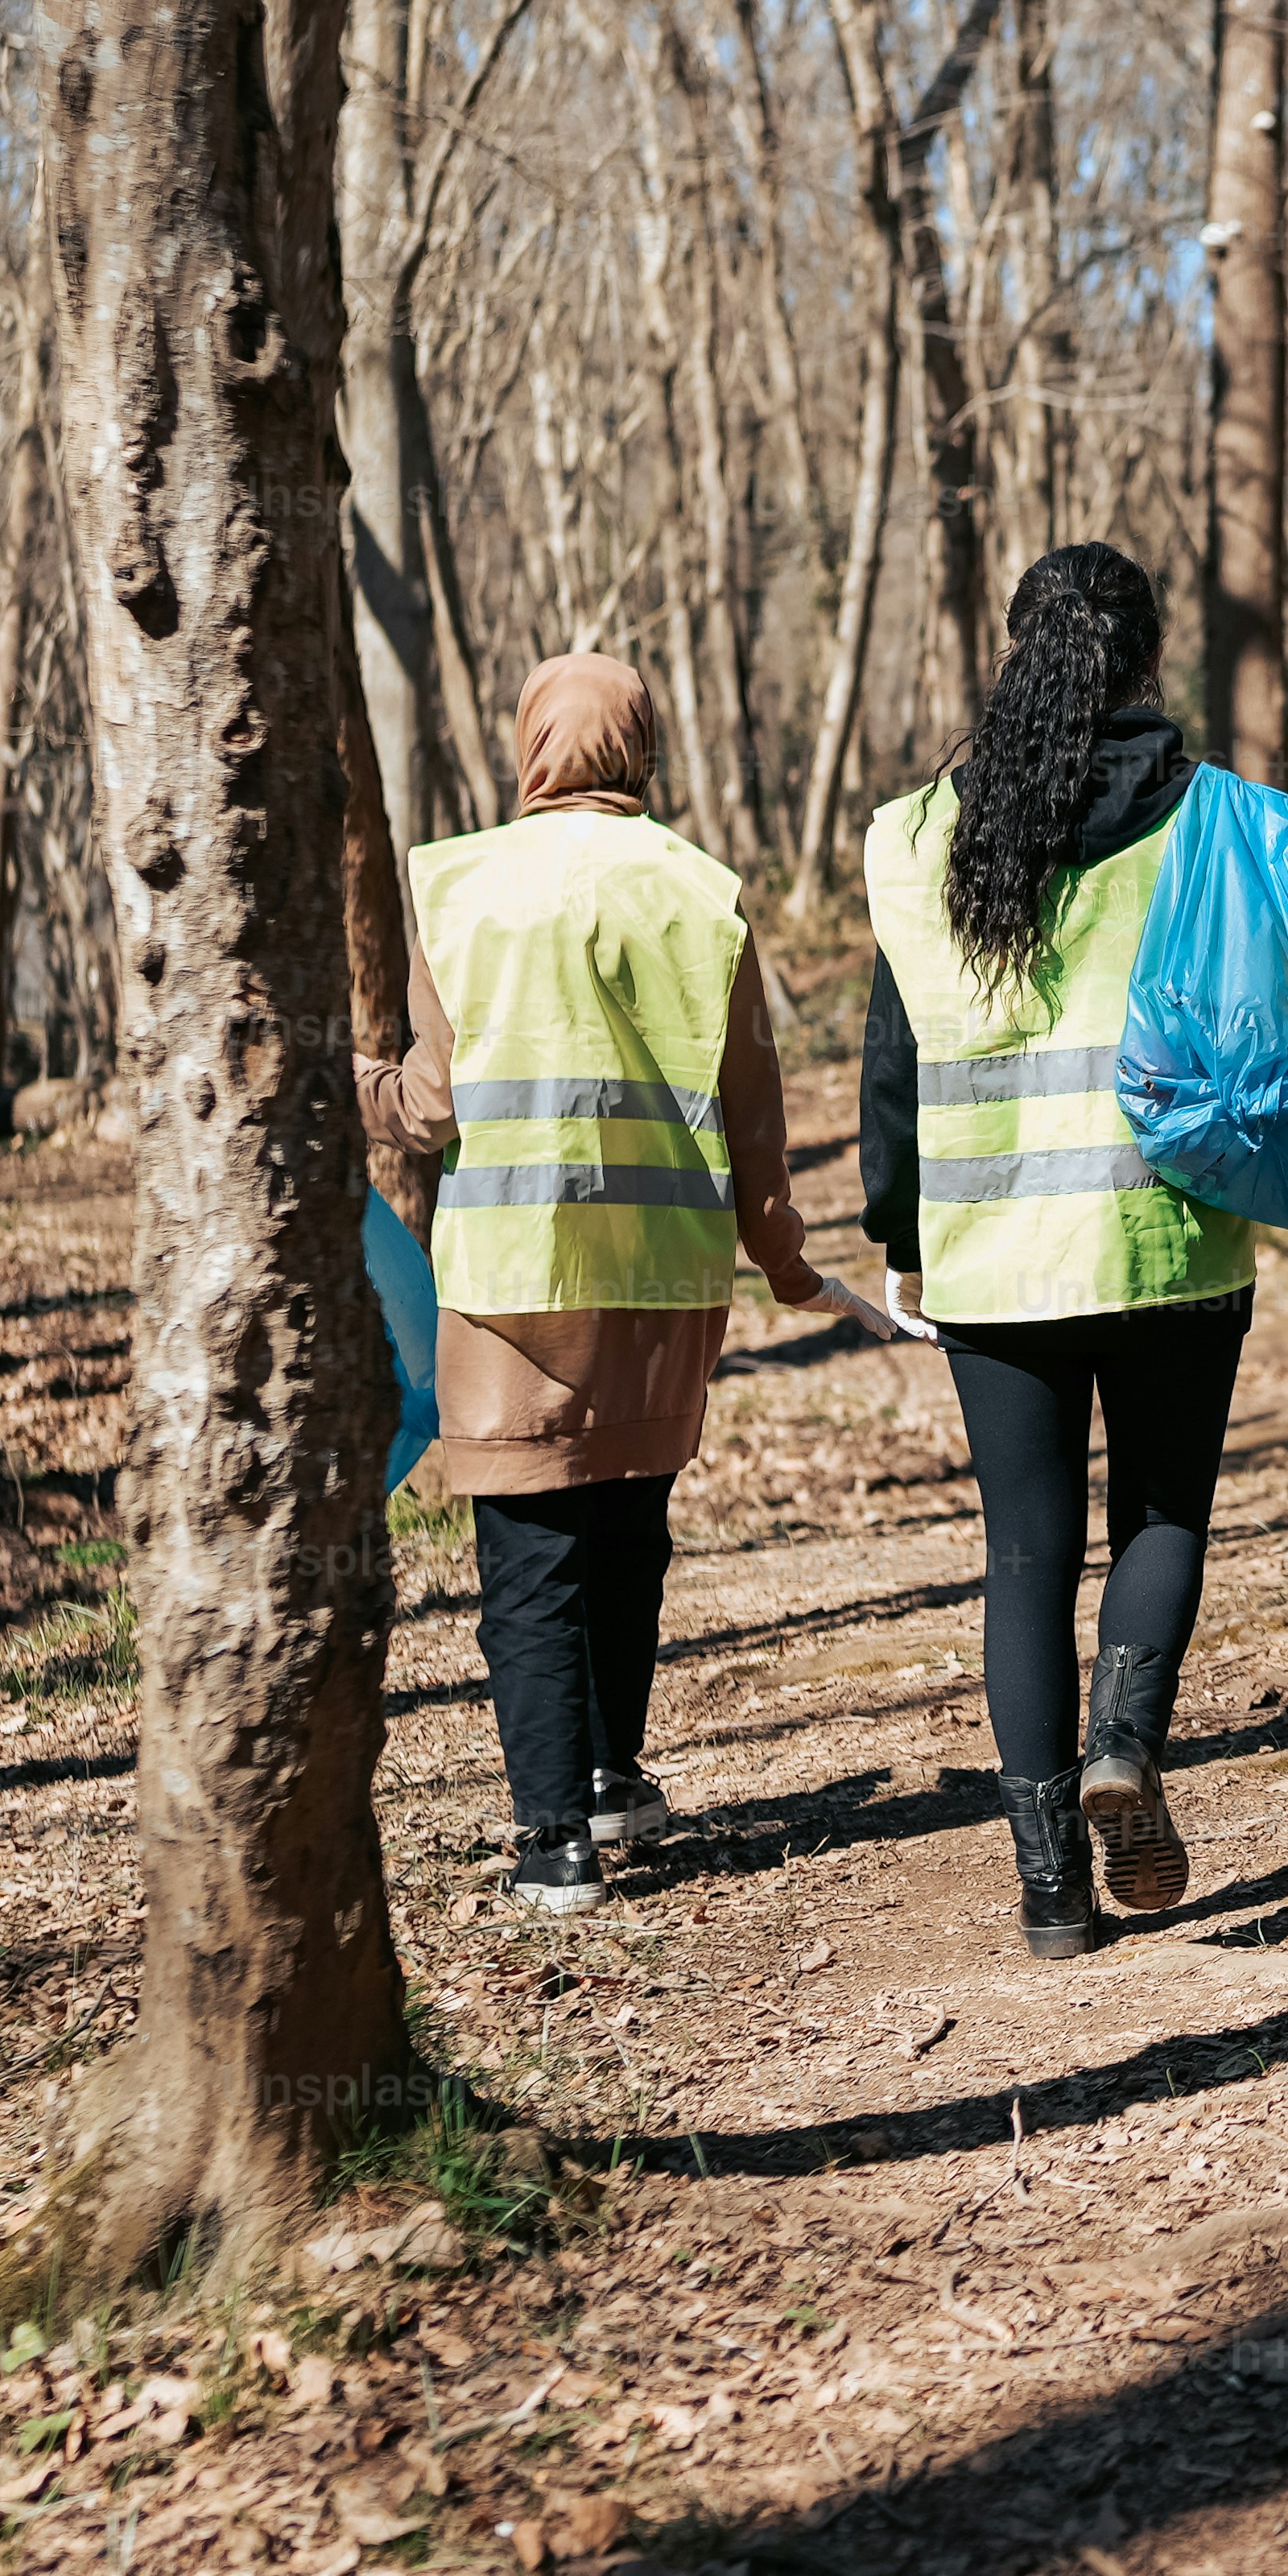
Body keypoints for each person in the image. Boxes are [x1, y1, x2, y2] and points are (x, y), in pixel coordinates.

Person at [364, 654, 825, 1917]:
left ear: (532, 745)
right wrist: (785, 1261)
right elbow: (752, 1111)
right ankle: (616, 1776)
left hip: (516, 1277)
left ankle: (553, 1839)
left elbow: (432, 1103)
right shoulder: (701, 891)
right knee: (628, 1534)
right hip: (666, 1283)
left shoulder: (457, 883)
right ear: (640, 746)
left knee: (529, 1556)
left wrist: (355, 1084)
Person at [857, 546, 1256, 1957]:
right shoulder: (1209, 820)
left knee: (1023, 1554)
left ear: (1014, 649)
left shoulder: (911, 836)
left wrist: (898, 1230)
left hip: (991, 1255)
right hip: (1171, 1240)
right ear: (1146, 655)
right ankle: (1122, 1744)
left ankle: (1047, 1895)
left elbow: (894, 1060)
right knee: (1163, 1514)